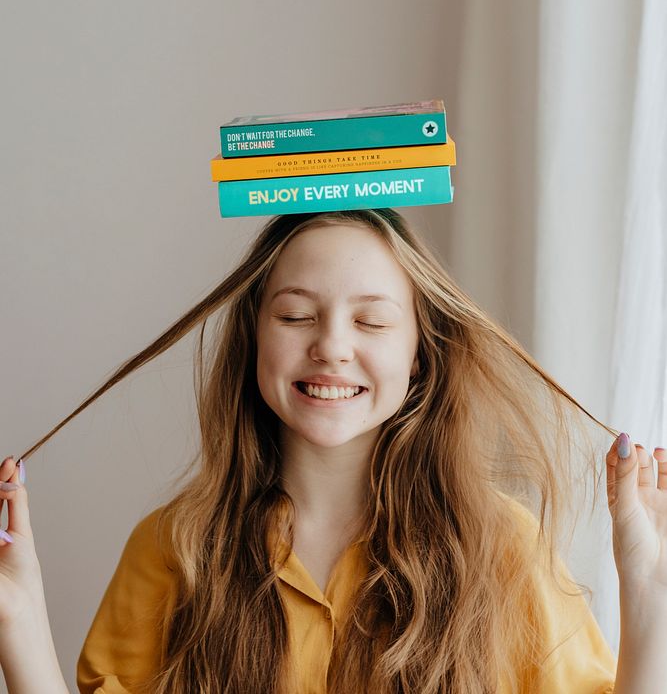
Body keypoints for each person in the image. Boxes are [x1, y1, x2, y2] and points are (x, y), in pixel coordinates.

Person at [0, 208, 665, 692]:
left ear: (418, 357)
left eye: (371, 320)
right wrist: (19, 620)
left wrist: (648, 589)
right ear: (254, 339)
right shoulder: (174, 547)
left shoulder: (501, 546)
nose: (331, 346)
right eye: (295, 316)